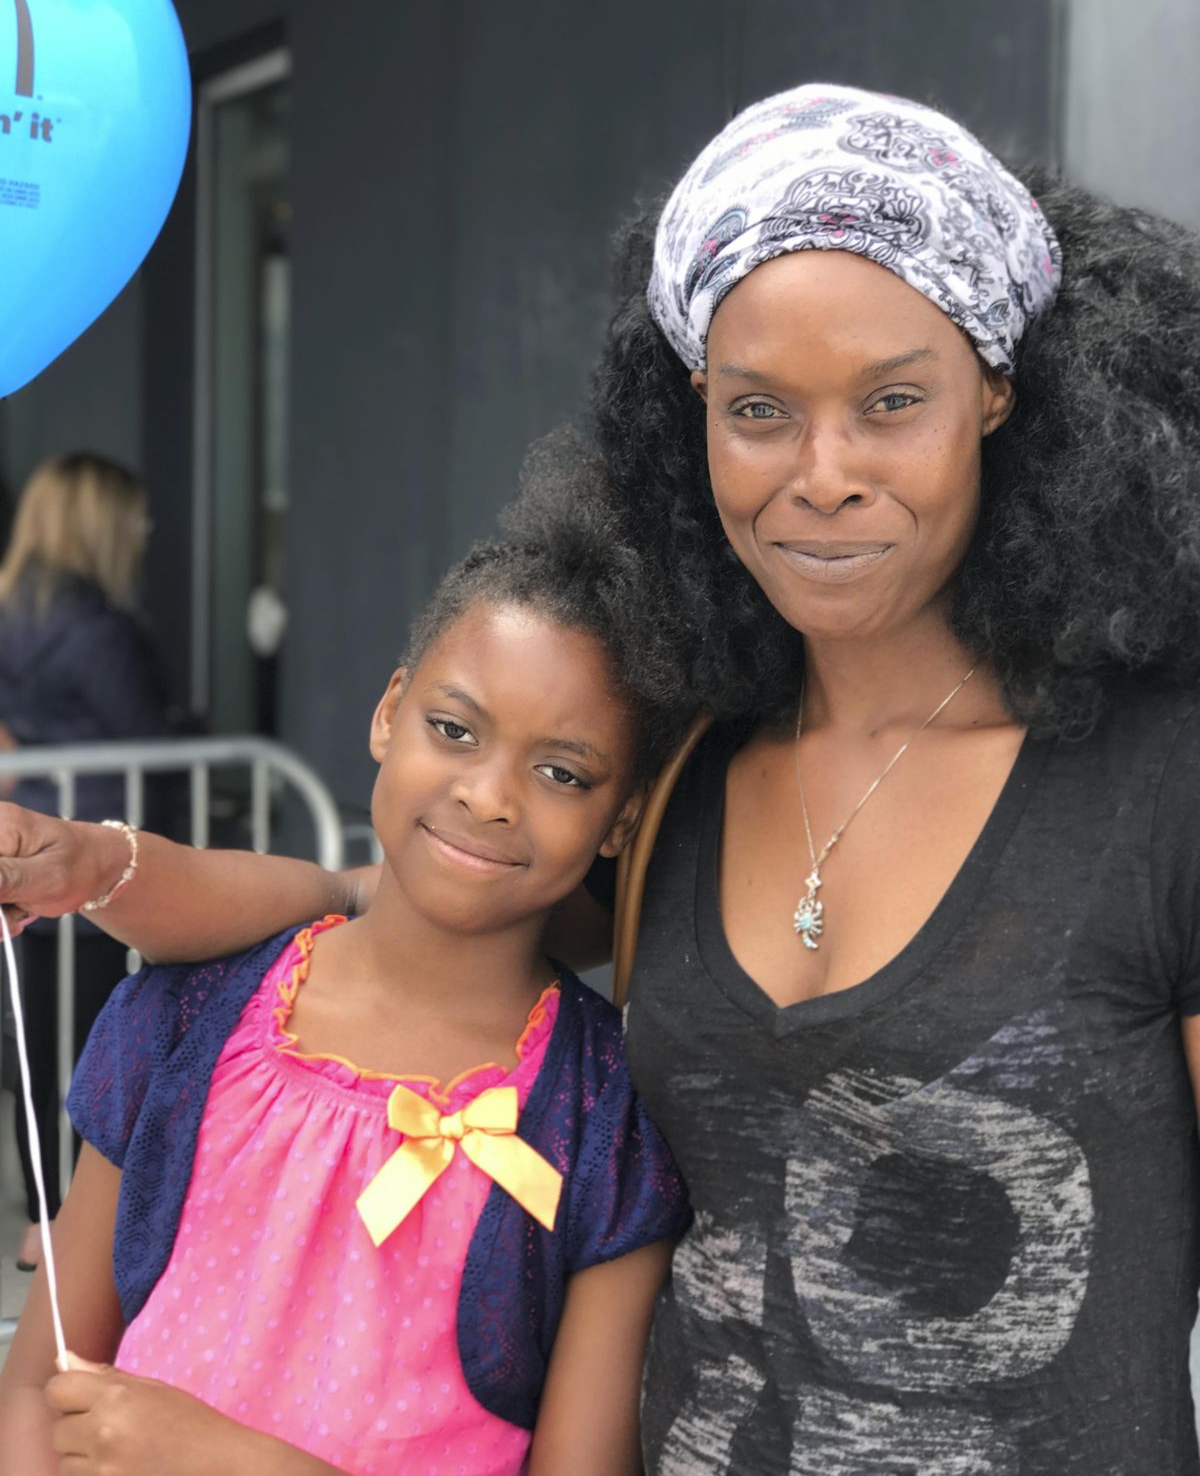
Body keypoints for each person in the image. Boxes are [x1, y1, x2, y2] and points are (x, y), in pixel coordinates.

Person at [0, 80, 1197, 1471]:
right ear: (693, 413)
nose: (821, 475)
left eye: (891, 403)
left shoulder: (1153, 783)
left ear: (997, 393)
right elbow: (375, 905)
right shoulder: (683, 773)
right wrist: (101, 867)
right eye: (759, 409)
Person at [0, 488, 691, 1476]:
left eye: (563, 772)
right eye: (455, 729)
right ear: (387, 711)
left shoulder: (603, 1118)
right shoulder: (181, 1019)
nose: (488, 795)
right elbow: (39, 1383)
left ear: (620, 822)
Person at [0, 453, 171, 1273]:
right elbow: (155, 745)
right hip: (104, 858)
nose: (145, 532)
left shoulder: (12, 610)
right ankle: (85, 1227)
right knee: (103, 1043)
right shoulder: (103, 631)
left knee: (38, 1041)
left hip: (32, 847)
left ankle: (44, 1218)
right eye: (133, 517)